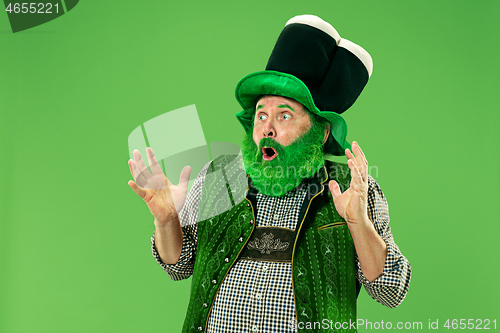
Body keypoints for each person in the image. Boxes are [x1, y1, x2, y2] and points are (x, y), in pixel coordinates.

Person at [128, 15, 411, 333]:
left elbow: (390, 291)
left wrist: (358, 224)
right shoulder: (219, 177)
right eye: (261, 114)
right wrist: (167, 220)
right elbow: (178, 265)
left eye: (284, 115)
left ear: (319, 133)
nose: (267, 127)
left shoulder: (354, 190)